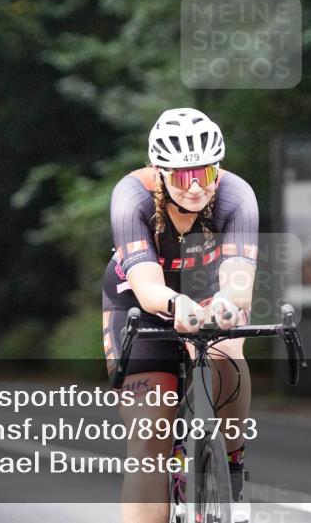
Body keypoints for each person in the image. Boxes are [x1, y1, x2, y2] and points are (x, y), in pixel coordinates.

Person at [103, 108, 258, 523]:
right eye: (181, 176)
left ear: (217, 170)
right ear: (159, 172)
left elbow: (239, 278)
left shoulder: (236, 196)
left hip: (207, 288)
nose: (194, 187)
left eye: (204, 174)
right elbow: (149, 287)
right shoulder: (131, 197)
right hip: (138, 299)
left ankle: (232, 465)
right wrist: (174, 305)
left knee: (228, 353)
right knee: (148, 440)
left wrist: (230, 301)